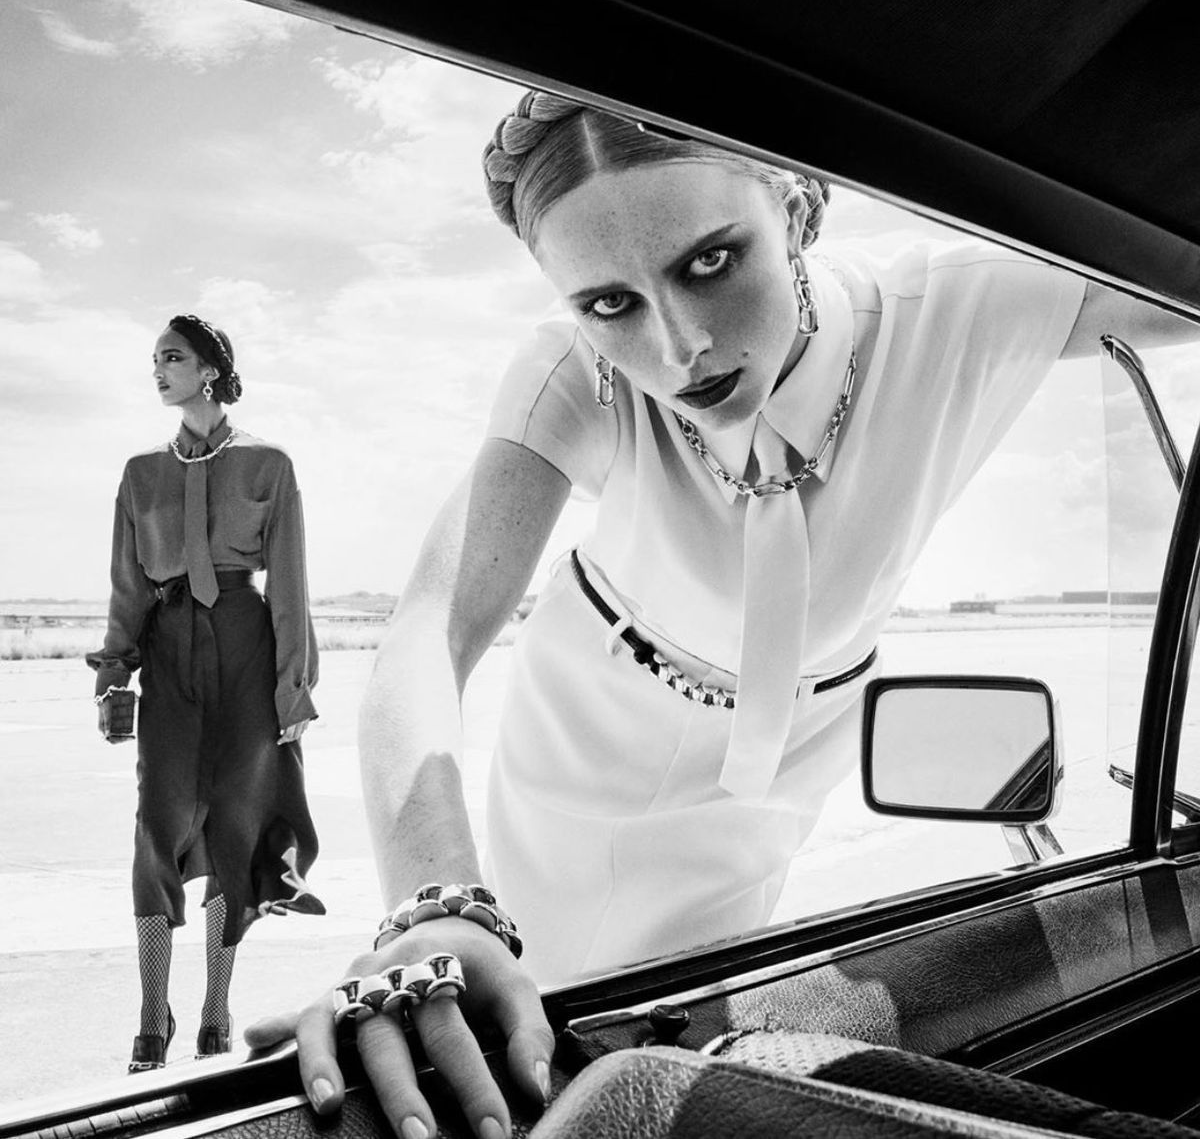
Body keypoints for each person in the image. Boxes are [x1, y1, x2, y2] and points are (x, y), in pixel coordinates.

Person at [245, 92, 1194, 1139]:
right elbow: (429, 628)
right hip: (585, 733)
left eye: (710, 261)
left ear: (792, 201)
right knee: (524, 1034)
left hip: (789, 761)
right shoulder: (578, 374)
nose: (680, 345)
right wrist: (435, 907)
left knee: (686, 1020)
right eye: (610, 302)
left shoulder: (961, 310)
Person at [88, 314, 325, 1073]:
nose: (158, 370)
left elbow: (289, 588)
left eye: (173, 358)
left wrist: (294, 692)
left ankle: (216, 1011)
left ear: (210, 371)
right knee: (157, 824)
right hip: (169, 652)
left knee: (236, 827)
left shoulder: (269, 466)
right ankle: (151, 1013)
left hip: (248, 647)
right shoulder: (139, 474)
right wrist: (114, 669)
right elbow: (128, 584)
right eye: (155, 358)